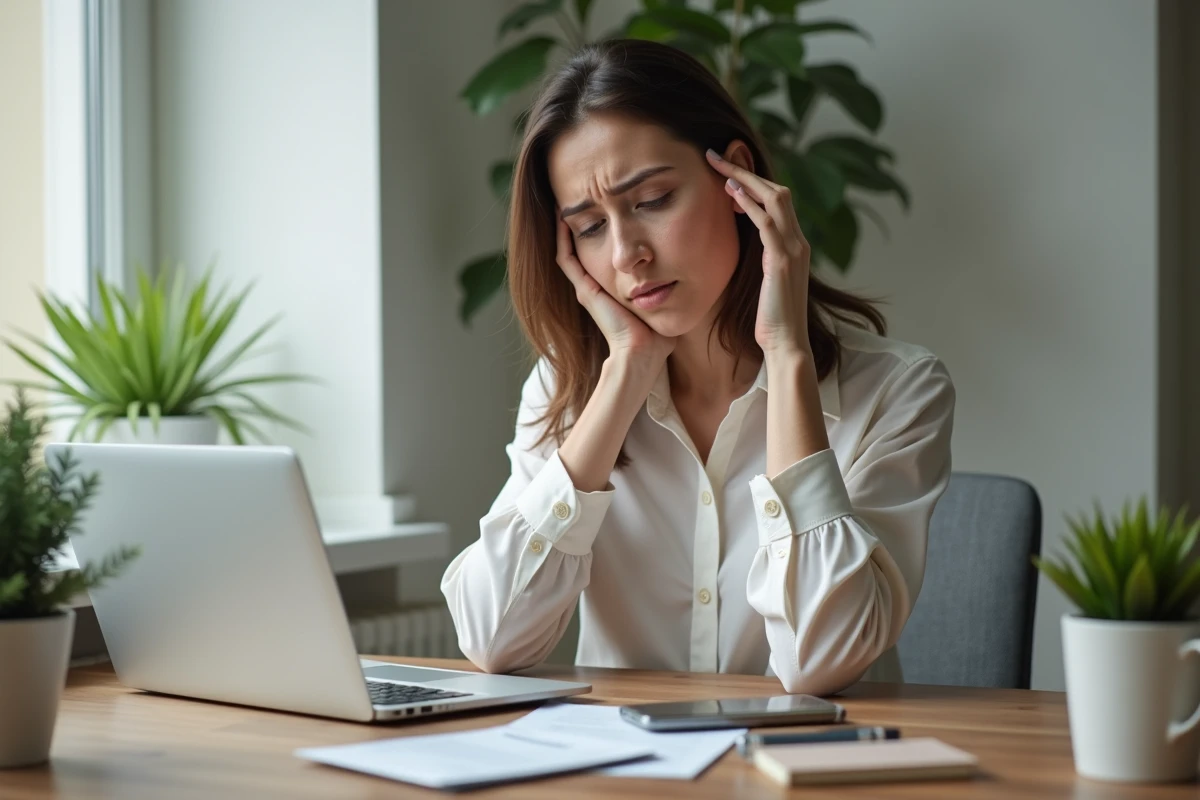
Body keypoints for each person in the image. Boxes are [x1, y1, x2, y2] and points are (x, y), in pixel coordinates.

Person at [441, 39, 955, 695]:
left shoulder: (899, 391)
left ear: (737, 181)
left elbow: (821, 662)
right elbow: (491, 639)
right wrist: (623, 376)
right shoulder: (565, 390)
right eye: (590, 227)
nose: (627, 254)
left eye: (652, 199)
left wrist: (788, 354)